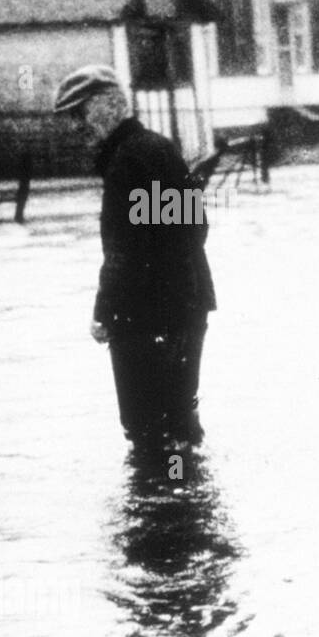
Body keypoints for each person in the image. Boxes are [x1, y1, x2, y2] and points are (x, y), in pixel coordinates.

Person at [53, 65, 215, 450]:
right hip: (186, 307)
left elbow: (124, 251)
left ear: (110, 105)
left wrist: (103, 310)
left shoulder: (126, 163)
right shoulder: (160, 149)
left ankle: (164, 503)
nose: (76, 127)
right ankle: (183, 495)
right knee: (177, 421)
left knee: (147, 428)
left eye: (80, 113)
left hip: (145, 317)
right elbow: (196, 227)